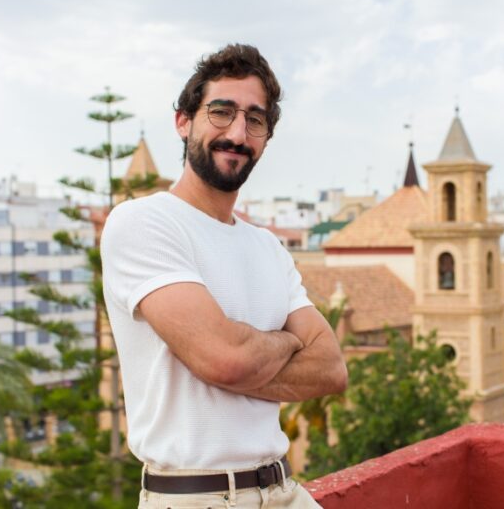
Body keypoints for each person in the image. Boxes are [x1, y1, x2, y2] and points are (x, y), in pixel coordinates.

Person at [101, 43, 348, 509]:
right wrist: (287, 342)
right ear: (183, 121)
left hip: (285, 492)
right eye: (221, 112)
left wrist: (231, 357)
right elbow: (225, 360)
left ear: (266, 139)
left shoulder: (268, 247)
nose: (238, 133)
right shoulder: (142, 222)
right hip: (197, 497)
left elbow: (332, 370)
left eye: (255, 120)